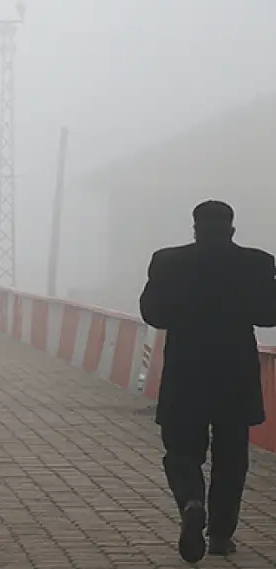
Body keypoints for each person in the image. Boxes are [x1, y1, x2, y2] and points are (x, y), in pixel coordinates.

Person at [140, 200, 276, 562]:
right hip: (235, 374)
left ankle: (191, 502)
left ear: (195, 228)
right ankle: (219, 535)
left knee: (182, 452)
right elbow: (269, 314)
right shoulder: (258, 263)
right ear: (231, 229)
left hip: (185, 373)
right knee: (232, 458)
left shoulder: (168, 262)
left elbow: (153, 314)